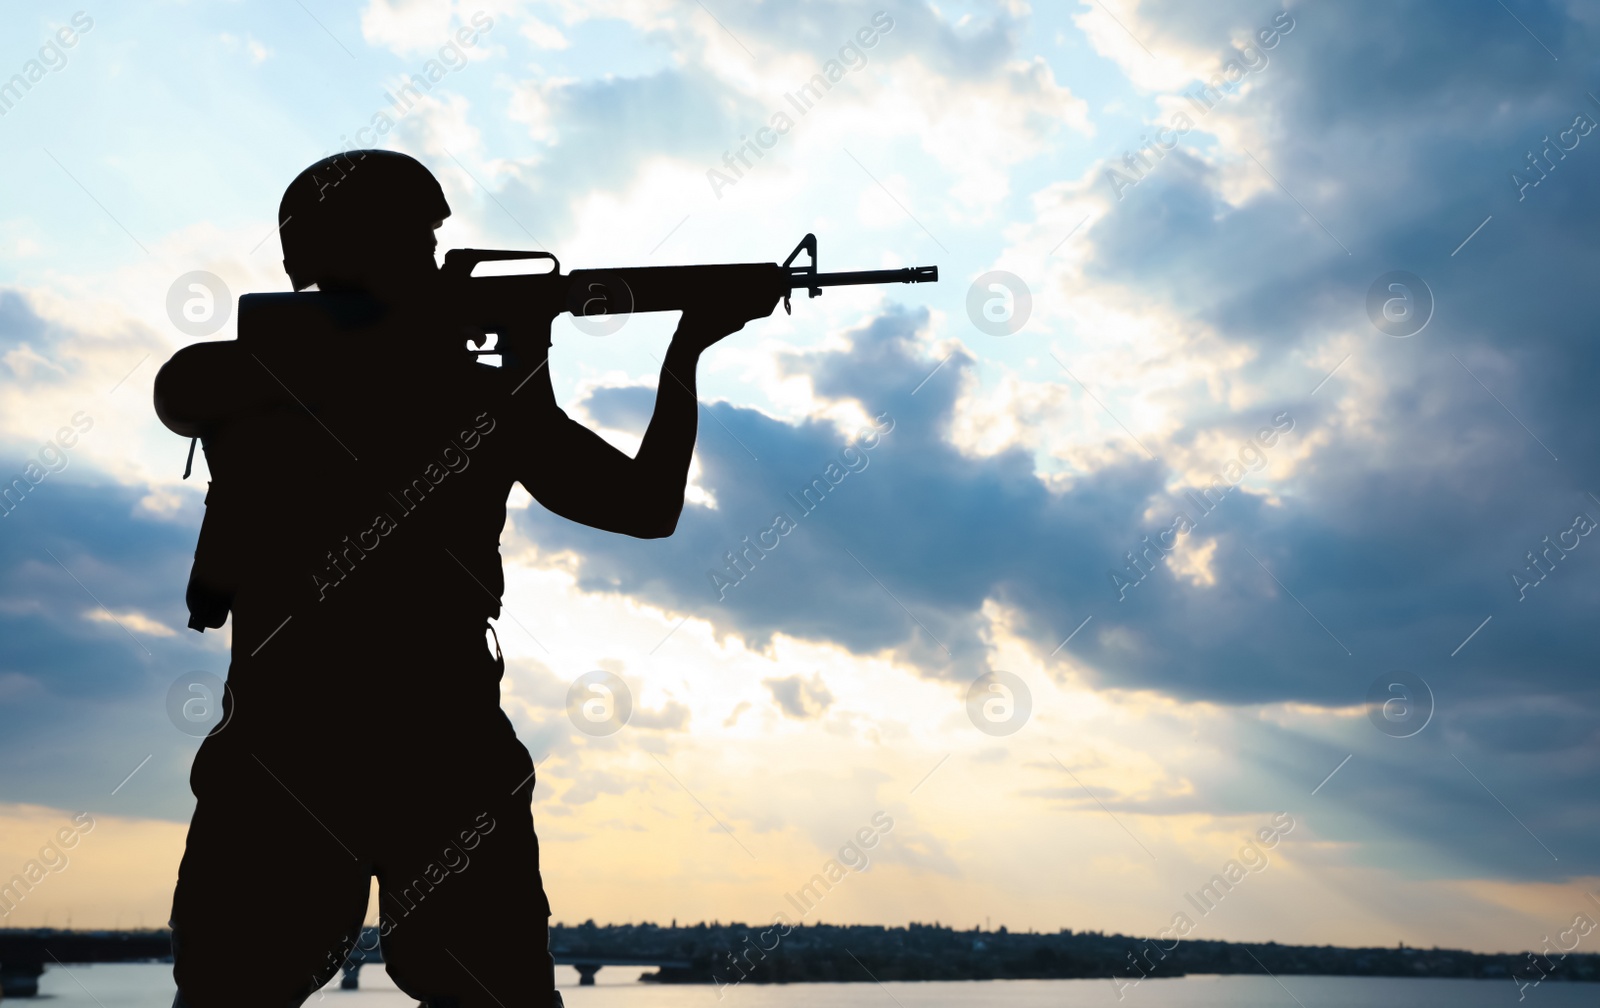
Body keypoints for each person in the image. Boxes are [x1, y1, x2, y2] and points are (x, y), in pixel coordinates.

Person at [154, 149, 778, 1008]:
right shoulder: (445, 395)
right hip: (435, 742)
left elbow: (192, 387)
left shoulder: (274, 387)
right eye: (420, 242)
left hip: (288, 741)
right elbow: (643, 505)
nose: (436, 259)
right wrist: (684, 352)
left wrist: (520, 362)